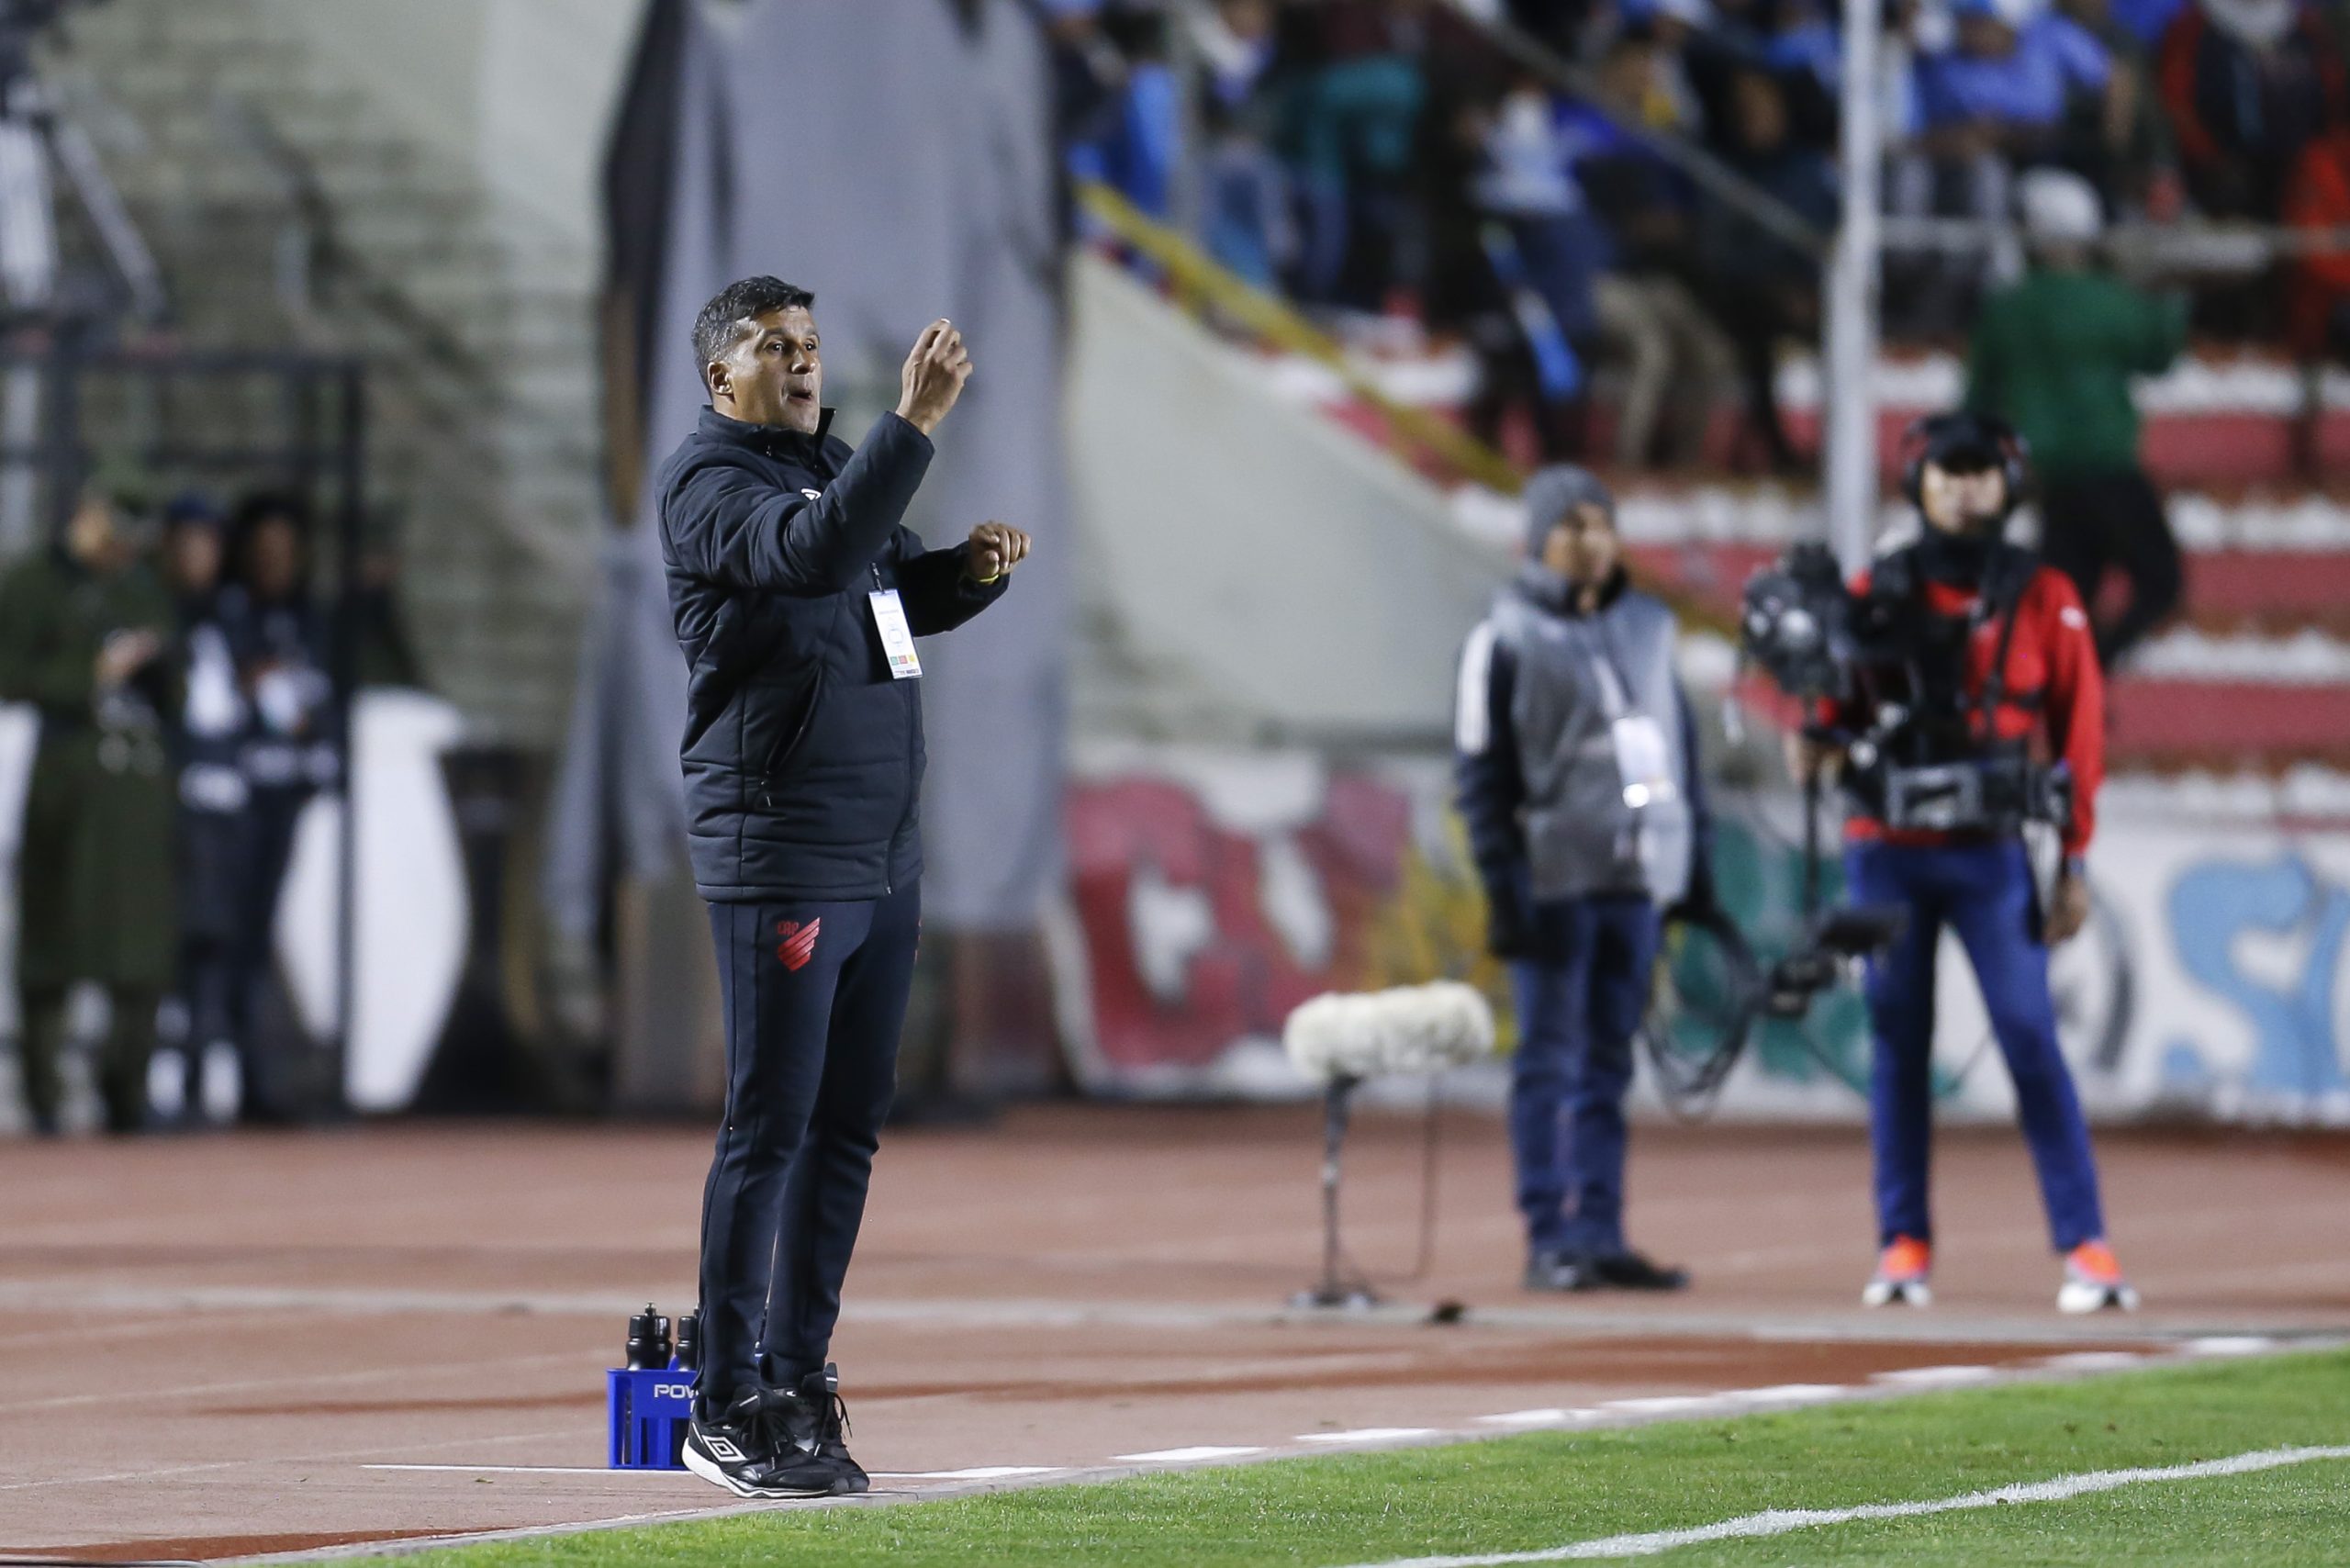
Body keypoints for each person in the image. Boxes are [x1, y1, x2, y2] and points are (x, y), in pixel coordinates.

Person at [656, 276, 1029, 1497]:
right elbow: (813, 561)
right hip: (786, 850)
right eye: (776, 346)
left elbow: (881, 602)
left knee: (848, 1131)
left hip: (881, 853)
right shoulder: (709, 487)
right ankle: (720, 1402)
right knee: (770, 1127)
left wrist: (965, 576)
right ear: (723, 379)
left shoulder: (829, 474)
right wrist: (911, 428)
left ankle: (800, 1376)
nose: (804, 362)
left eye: (810, 343)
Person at [1799, 413, 2137, 1315]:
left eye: (1979, 472)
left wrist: (2073, 860)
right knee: (1896, 1042)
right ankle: (1901, 1243)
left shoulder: (2043, 594)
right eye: (1947, 473)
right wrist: (1813, 740)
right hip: (1886, 852)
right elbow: (1831, 712)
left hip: (1991, 853)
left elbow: (2081, 731)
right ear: (1918, 484)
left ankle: (2086, 1243)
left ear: (2006, 483)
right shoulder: (1874, 585)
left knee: (2029, 1033)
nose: (1962, 488)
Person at [1455, 466, 1711, 1294]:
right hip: (1553, 880)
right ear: (1535, 537)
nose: (1590, 540)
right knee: (1548, 1063)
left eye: (1602, 523)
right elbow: (1481, 775)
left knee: (1609, 1063)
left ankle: (1600, 1231)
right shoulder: (1503, 636)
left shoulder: (1649, 626)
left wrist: (1692, 868)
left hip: (1637, 876)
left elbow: (1684, 754)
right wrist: (1504, 890)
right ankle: (1548, 1233)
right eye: (1571, 525)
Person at [0, 486, 178, 1136]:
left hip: (135, 782)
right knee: (54, 939)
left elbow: (174, 673)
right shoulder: (31, 584)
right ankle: (44, 1093)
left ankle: (126, 1092)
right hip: (64, 780)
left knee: (141, 948)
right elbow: (11, 674)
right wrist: (93, 670)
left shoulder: (141, 587)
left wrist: (156, 667)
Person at [1966, 168, 2187, 670]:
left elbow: (1977, 400)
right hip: (2110, 469)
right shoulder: (2107, 301)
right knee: (2161, 581)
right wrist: (2171, 293)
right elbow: (2159, 353)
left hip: (2052, 478)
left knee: (2065, 606)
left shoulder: (2007, 310)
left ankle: (2045, 707)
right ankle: (2096, 665)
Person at [218, 491, 340, 1124]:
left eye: (286, 552)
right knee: (226, 938)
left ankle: (257, 1079)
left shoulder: (306, 618)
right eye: (264, 551)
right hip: (233, 802)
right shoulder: (229, 617)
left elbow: (321, 702)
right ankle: (220, 1078)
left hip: (287, 797)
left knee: (262, 936)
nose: (276, 563)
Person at [160, 494, 250, 1127]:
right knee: (171, 942)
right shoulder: (155, 615)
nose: (201, 557)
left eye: (210, 543)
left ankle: (210, 1075)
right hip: (172, 801)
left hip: (228, 802)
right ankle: (161, 1077)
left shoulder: (234, 616)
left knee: (218, 942)